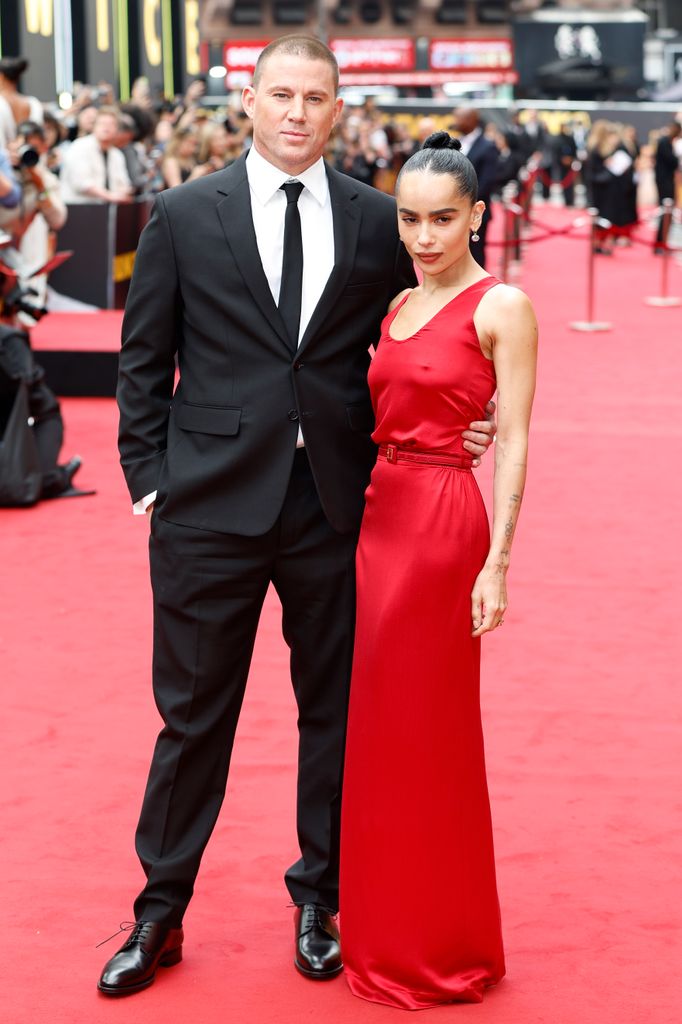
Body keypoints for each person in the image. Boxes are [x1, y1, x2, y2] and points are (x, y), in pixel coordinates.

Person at [99, 36, 495, 997]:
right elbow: (142, 360)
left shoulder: (375, 220)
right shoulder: (184, 214)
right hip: (205, 510)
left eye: (314, 98)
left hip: (341, 509)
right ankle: (160, 908)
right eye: (279, 94)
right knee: (193, 717)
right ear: (248, 100)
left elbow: (418, 331)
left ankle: (321, 897)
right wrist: (150, 479)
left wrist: (459, 419)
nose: (295, 113)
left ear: (334, 109)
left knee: (338, 714)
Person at [340, 132, 538, 1009]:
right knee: (382, 732)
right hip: (381, 520)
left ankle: (441, 945)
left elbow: (518, 438)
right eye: (411, 219)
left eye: (443, 219)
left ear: (478, 215)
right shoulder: (394, 305)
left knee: (433, 732)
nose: (425, 236)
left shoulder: (504, 307)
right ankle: (383, 930)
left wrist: (497, 561)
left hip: (442, 528)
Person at [450, 106, 499, 268]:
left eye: (459, 118)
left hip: (477, 213)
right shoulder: (455, 143)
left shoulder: (488, 146)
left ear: (472, 120)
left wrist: (461, 200)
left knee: (476, 255)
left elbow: (487, 182)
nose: (455, 122)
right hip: (454, 212)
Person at [59, 106, 133, 204]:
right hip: (78, 208)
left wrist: (124, 193)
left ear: (117, 129)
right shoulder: (79, 146)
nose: (106, 128)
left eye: (111, 124)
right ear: (94, 126)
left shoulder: (117, 155)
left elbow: (123, 184)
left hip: (107, 209)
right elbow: (82, 184)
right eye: (102, 123)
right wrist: (110, 196)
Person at [654, 123, 681, 253]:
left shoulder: (667, 142)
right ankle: (660, 243)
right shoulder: (664, 142)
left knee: (667, 213)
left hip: (667, 181)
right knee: (665, 211)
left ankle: (662, 242)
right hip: (664, 183)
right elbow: (672, 161)